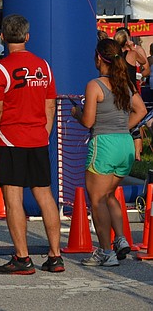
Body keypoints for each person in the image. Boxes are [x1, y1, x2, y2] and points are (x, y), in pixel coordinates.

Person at [0, 14, 64, 274]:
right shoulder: (44, 66)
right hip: (38, 137)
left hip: (10, 139)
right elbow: (50, 104)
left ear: (4, 37)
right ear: (28, 37)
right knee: (45, 195)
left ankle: (22, 257)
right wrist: (44, 132)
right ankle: (55, 255)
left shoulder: (0, 69)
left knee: (13, 198)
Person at [70, 38, 146, 266]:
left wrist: (76, 112)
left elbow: (88, 120)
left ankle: (105, 252)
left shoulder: (95, 85)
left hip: (103, 144)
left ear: (98, 58)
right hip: (124, 144)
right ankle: (120, 240)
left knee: (97, 201)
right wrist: (124, 127)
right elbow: (141, 110)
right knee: (110, 195)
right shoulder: (125, 83)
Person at [113, 27, 149, 93]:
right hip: (130, 87)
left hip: (126, 85)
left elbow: (146, 68)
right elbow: (143, 61)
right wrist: (132, 47)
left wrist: (139, 76)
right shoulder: (133, 52)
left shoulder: (114, 54)